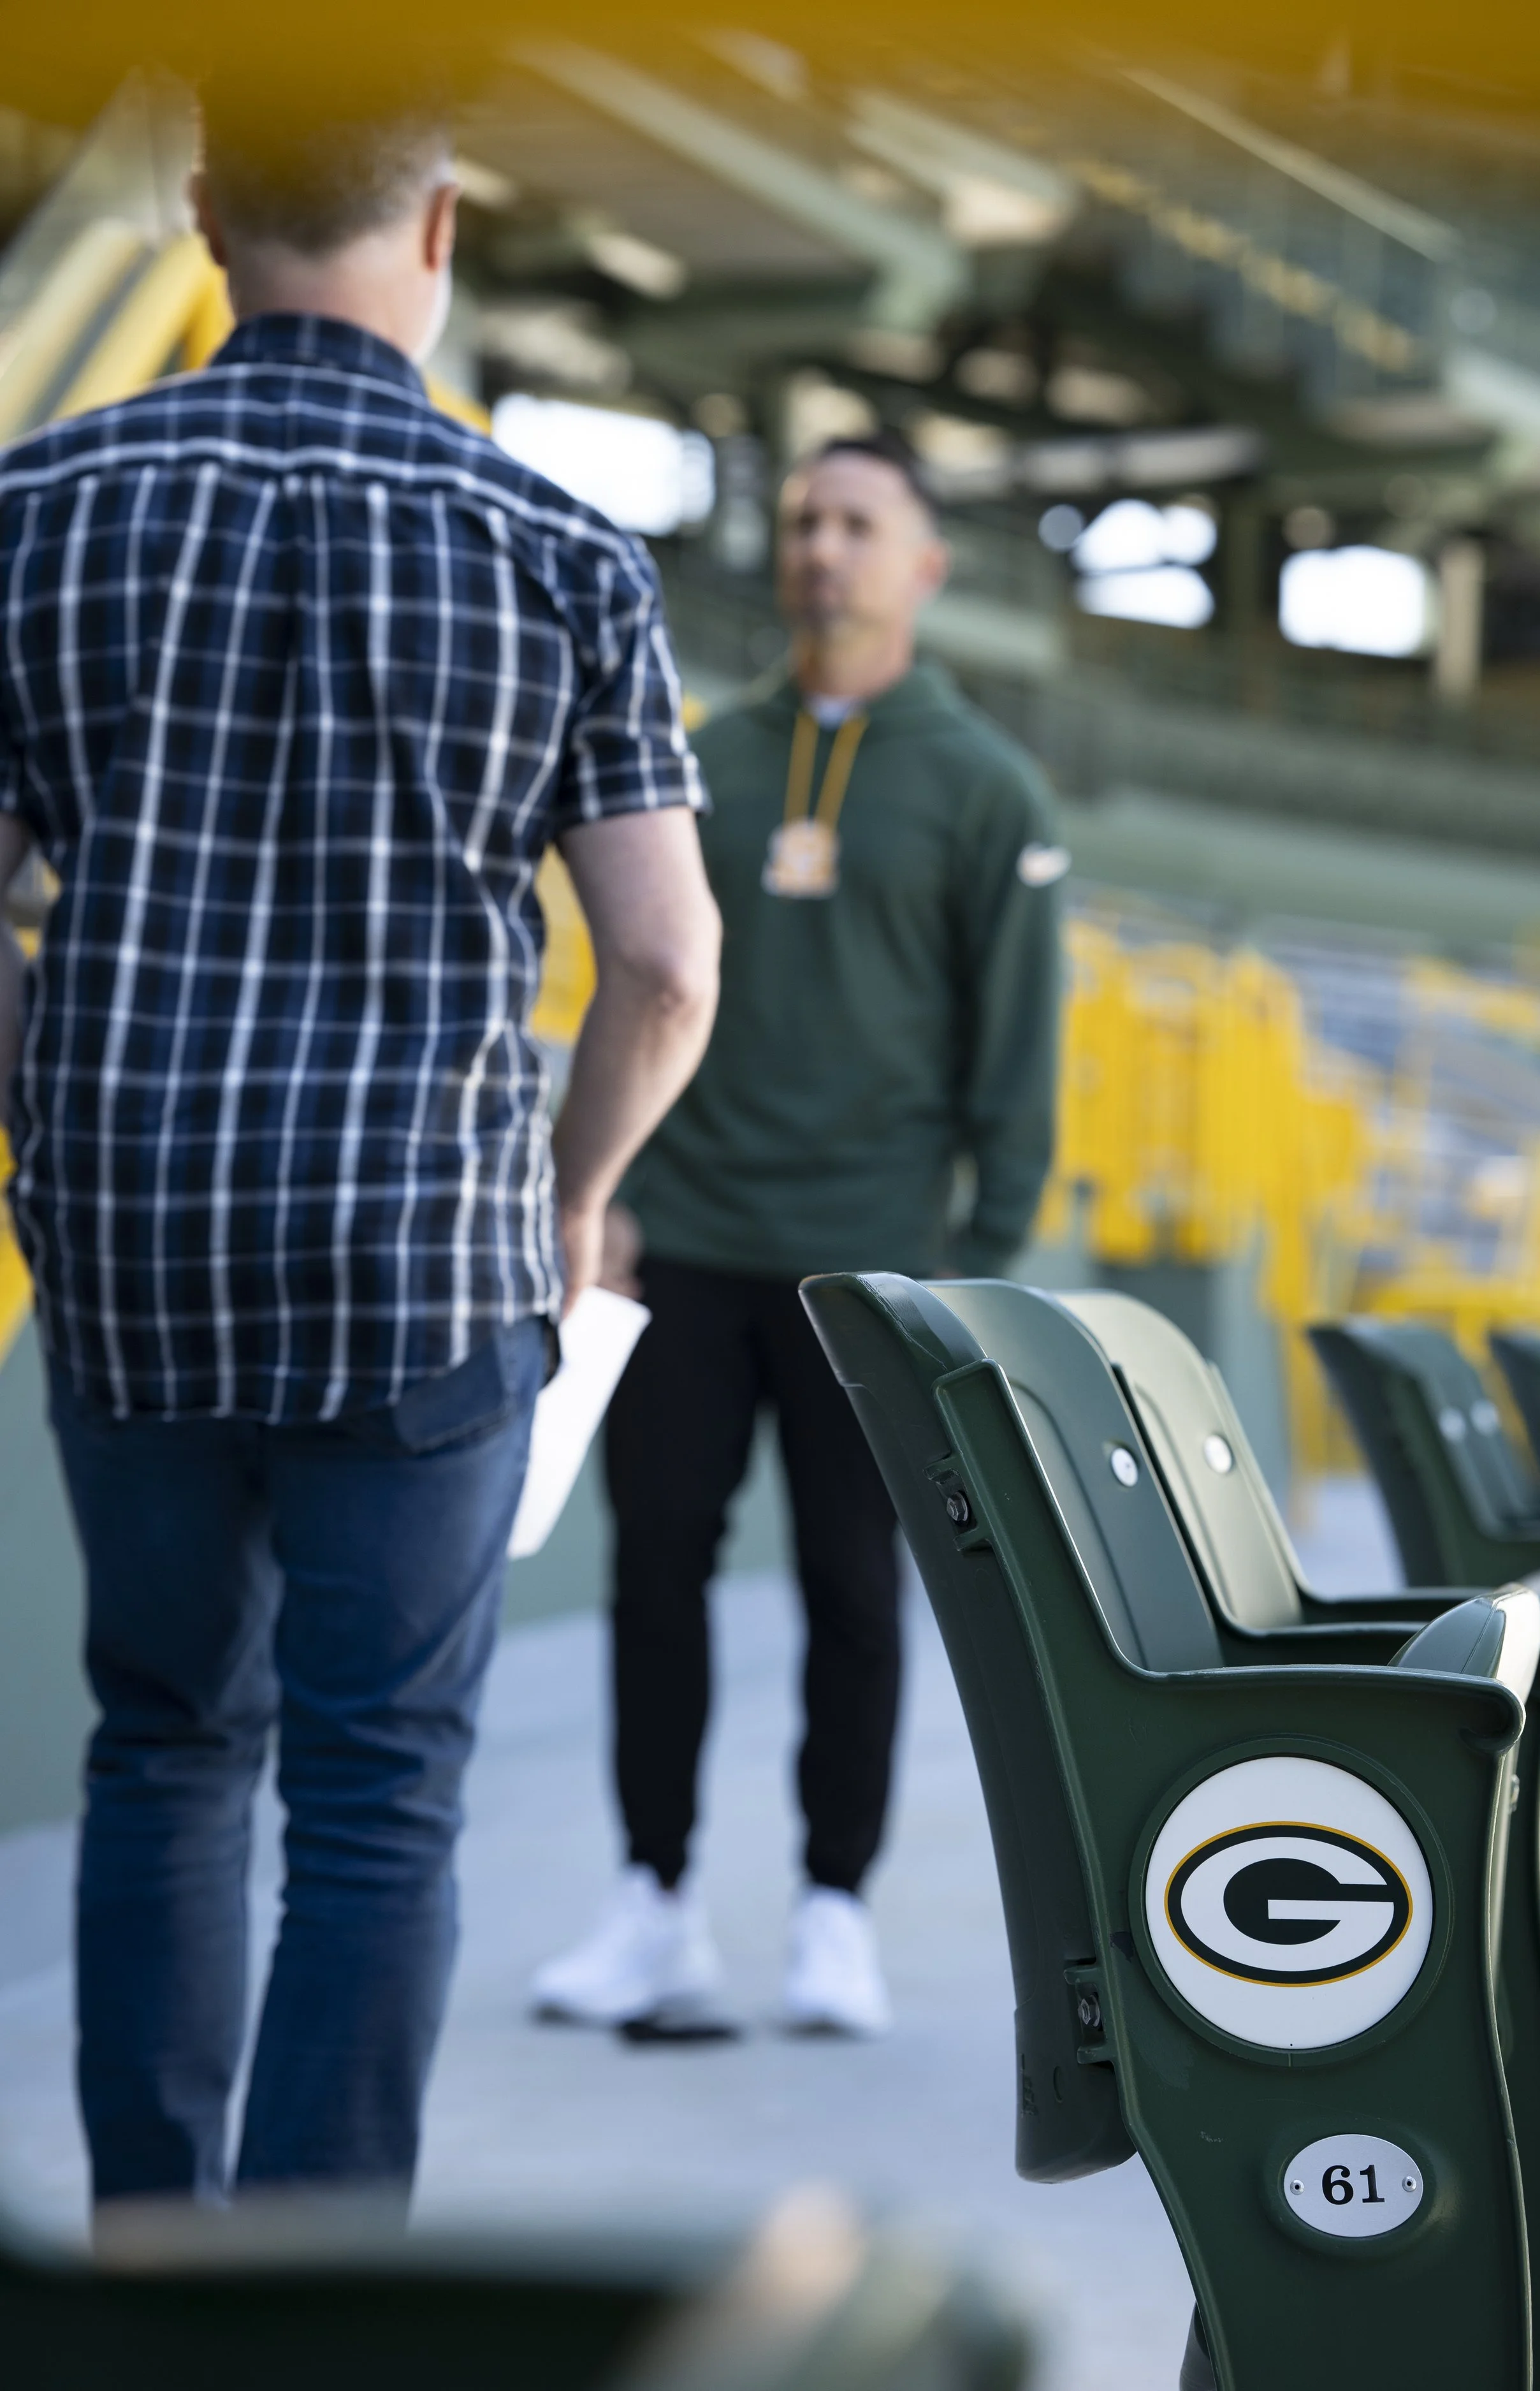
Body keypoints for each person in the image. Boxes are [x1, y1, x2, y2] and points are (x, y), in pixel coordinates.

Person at [0, 99, 720, 2206]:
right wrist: (572, 1204)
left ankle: (145, 2259)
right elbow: (667, 966)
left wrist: (48, 1116)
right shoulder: (564, 549)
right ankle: (311, 2315)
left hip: (133, 1249)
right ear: (440, 222)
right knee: (381, 1799)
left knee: (162, 1750)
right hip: (425, 1263)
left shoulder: (32, 508)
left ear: (206, 215)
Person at [532, 432, 1066, 2039]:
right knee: (656, 1574)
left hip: (871, 1268)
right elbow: (641, 976)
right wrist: (609, 1183)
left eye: (857, 524)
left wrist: (980, 1258)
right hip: (682, 1236)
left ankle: (834, 1912)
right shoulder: (708, 755)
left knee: (853, 1588)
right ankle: (652, 1903)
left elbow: (1014, 1050)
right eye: (803, 521)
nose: (820, 548)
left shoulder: (983, 785)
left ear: (922, 564)